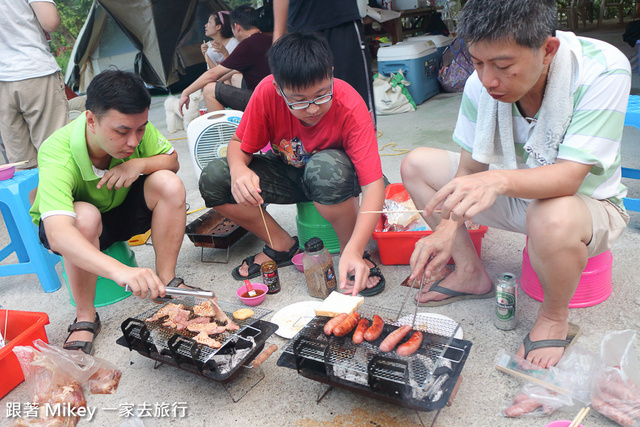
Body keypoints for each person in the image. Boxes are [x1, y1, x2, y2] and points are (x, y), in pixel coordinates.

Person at [398, 0, 630, 368]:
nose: (488, 80)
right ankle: (470, 273)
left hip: (585, 208)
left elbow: (570, 177)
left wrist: (496, 180)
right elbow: (470, 168)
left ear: (548, 50)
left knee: (551, 215)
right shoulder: (482, 84)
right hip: (521, 198)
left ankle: (553, 316)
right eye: (477, 63)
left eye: (504, 66)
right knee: (416, 165)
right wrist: (445, 229)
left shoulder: (603, 68)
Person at [199, 33, 386, 296]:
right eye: (298, 100)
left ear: (331, 75)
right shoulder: (266, 92)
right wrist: (240, 170)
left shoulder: (350, 105)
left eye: (321, 95)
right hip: (288, 173)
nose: (312, 109)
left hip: (334, 178)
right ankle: (281, 246)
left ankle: (350, 251)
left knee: (325, 167)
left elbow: (374, 186)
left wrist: (356, 249)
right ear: (278, 88)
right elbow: (238, 144)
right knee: (215, 177)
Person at [30, 70, 190, 355]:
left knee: (168, 182)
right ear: (91, 120)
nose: (133, 140)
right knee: (85, 216)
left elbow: (172, 160)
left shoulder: (135, 127)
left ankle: (166, 281)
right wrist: (122, 272)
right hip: (79, 229)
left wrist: (137, 166)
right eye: (122, 132)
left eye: (140, 129)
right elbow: (57, 233)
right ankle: (85, 316)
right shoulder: (57, 150)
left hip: (120, 210)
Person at [273, 0, 376, 125]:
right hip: (301, 24)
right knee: (302, 99)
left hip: (340, 18)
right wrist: (277, 37)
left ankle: (364, 141)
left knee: (356, 96)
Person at [0, 0, 68, 169]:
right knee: (57, 153)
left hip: (2, 82)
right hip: (34, 72)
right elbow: (50, 21)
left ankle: (31, 196)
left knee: (22, 164)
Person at [180, 6, 271, 113]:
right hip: (277, 94)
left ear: (236, 27)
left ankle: (225, 128)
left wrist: (186, 92)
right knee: (236, 76)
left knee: (209, 89)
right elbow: (227, 73)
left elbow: (212, 74)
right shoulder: (271, 38)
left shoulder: (246, 44)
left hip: (262, 101)